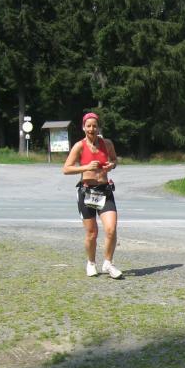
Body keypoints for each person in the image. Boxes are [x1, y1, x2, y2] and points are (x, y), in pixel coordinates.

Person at [62, 112, 122, 279]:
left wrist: (111, 165)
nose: (91, 129)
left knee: (111, 229)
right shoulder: (79, 146)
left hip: (105, 190)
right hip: (87, 191)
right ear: (83, 127)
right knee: (92, 233)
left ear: (98, 128)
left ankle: (108, 263)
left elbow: (115, 160)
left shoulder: (107, 143)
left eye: (94, 126)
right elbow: (66, 169)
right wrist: (86, 167)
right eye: (88, 126)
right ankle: (91, 263)